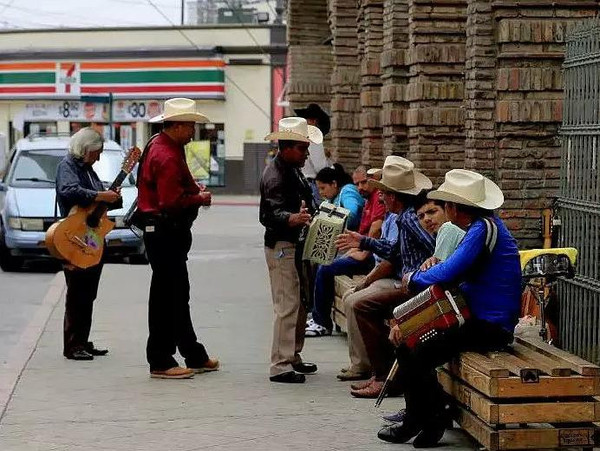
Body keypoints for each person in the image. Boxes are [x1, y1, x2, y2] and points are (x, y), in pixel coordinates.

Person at [378, 169, 522, 447]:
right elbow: (450, 270)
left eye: (445, 206)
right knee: (410, 344)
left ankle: (427, 419)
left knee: (418, 350)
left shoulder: (483, 229)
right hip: (474, 318)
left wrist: (414, 278)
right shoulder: (481, 228)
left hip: (490, 326)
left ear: (454, 208)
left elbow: (449, 271)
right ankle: (426, 418)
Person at [335, 157, 436, 396]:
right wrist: (363, 241)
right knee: (362, 304)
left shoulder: (411, 219)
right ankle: (384, 372)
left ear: (393, 196)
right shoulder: (404, 217)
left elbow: (434, 248)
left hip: (416, 288)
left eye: (384, 194)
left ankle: (384, 377)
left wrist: (426, 268)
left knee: (363, 306)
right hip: (410, 284)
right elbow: (394, 251)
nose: (380, 198)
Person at [137, 97, 218, 379]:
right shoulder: (167, 154)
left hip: (163, 232)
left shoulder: (163, 145)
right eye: (191, 126)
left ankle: (193, 352)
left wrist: (194, 190)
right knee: (166, 297)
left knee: (176, 294)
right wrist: (200, 197)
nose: (194, 131)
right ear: (179, 125)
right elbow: (171, 201)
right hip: (164, 231)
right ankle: (160, 359)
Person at [260, 116, 323, 384]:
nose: (306, 153)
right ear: (287, 147)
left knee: (299, 303)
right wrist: (291, 218)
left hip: (293, 243)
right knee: (287, 304)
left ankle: (292, 355)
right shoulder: (275, 174)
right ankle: (280, 364)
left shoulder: (290, 168)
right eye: (302, 148)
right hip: (282, 244)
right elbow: (270, 214)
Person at [55, 127, 122, 361]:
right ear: (85, 149)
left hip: (91, 235)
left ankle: (82, 340)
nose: (99, 157)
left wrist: (112, 197)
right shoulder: (68, 167)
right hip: (74, 237)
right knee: (77, 293)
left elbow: (99, 203)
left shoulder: (89, 170)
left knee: (88, 292)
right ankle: (73, 345)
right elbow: (70, 191)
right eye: (97, 152)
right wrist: (102, 196)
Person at [305, 165, 384, 337]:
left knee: (325, 267)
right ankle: (316, 313)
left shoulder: (376, 197)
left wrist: (363, 251)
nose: (360, 187)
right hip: (358, 247)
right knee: (318, 260)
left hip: (372, 255)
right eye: (358, 183)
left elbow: (374, 225)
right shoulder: (369, 197)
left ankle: (321, 322)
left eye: (365, 182)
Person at [295, 103, 331, 204]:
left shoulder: (301, 137)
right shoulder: (314, 137)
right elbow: (320, 167)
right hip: (313, 184)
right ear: (315, 121)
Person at [314, 163, 364, 230]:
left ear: (334, 183)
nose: (320, 192)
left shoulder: (348, 191)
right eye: (319, 189)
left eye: (323, 188)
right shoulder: (331, 198)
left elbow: (351, 214)